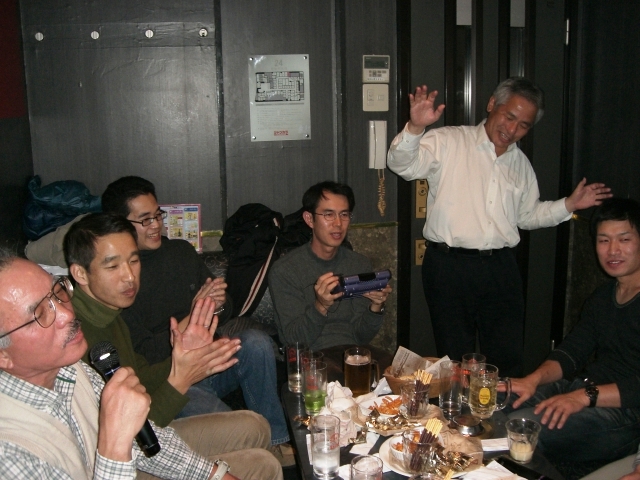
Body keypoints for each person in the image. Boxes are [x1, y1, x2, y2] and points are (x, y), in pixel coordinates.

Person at [387, 77, 612, 376]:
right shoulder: (449, 141)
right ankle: (458, 406)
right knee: (454, 357)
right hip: (448, 266)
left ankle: (506, 406)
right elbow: (402, 165)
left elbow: (527, 216)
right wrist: (415, 128)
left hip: (500, 269)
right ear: (493, 104)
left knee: (506, 357)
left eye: (523, 125)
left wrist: (569, 205)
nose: (512, 129)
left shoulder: (521, 165)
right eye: (509, 116)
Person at [0, 249, 278, 479]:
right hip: (118, 467)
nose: (66, 314)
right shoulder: (9, 455)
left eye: (58, 292)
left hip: (128, 456)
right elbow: (134, 428)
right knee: (262, 465)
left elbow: (145, 438)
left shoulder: (71, 368)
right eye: (40, 314)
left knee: (255, 431)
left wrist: (214, 475)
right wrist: (114, 444)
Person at [62, 213, 283, 479]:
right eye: (112, 266)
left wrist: (186, 359)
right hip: (113, 463)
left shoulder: (110, 312)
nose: (129, 276)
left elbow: (142, 376)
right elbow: (133, 435)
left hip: (144, 434)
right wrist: (182, 377)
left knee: (256, 426)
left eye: (134, 261)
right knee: (263, 464)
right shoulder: (73, 337)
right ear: (80, 273)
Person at [99, 177, 292, 464]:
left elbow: (227, 310)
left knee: (256, 342)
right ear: (119, 224)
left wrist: (217, 304)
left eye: (157, 215)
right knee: (239, 430)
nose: (156, 225)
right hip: (174, 376)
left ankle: (277, 441)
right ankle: (255, 454)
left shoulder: (180, 252)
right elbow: (145, 354)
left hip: (212, 360)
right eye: (145, 219)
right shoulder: (120, 282)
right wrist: (194, 316)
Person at [506, 198, 640, 465]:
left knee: (521, 429)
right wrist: (533, 379)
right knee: (493, 402)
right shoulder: (603, 296)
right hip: (584, 389)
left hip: (626, 412)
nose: (613, 250)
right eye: (603, 240)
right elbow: (572, 352)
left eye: (624, 239)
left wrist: (583, 397)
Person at [269, 181, 392, 350]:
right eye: (329, 215)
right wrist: (321, 305)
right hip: (310, 357)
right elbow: (295, 341)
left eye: (344, 214)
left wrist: (376, 307)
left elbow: (361, 337)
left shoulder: (359, 264)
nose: (338, 223)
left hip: (351, 353)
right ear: (309, 219)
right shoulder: (285, 270)